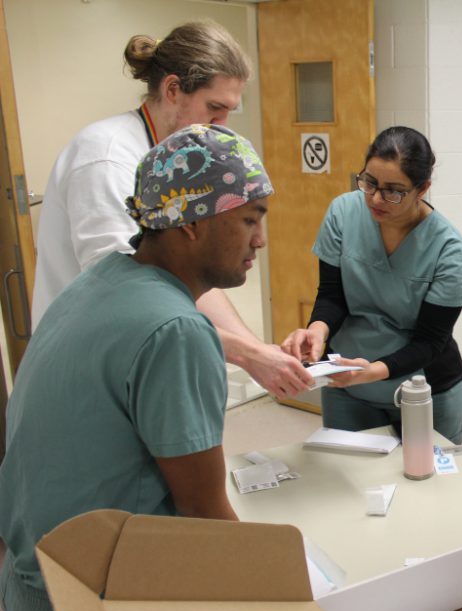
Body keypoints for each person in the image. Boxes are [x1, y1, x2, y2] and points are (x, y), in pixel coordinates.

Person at [0, 124, 271, 611]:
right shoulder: (175, 327)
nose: (260, 240)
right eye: (250, 218)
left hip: (29, 588)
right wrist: (279, 595)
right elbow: (203, 512)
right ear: (192, 222)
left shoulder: (100, 281)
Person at [30, 20, 311, 398]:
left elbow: (184, 269)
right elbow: (129, 295)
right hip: (86, 364)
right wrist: (246, 355)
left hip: (134, 347)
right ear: (173, 89)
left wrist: (258, 350)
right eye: (214, 107)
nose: (223, 125)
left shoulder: (180, 163)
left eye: (230, 111)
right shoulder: (108, 157)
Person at [281, 127, 462, 444]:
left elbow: (430, 341)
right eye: (369, 182)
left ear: (422, 188)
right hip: (348, 385)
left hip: (423, 388)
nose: (375, 198)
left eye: (393, 191)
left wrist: (372, 371)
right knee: (349, 480)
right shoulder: (343, 213)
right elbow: (332, 296)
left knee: (429, 485)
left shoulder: (448, 249)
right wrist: (317, 331)